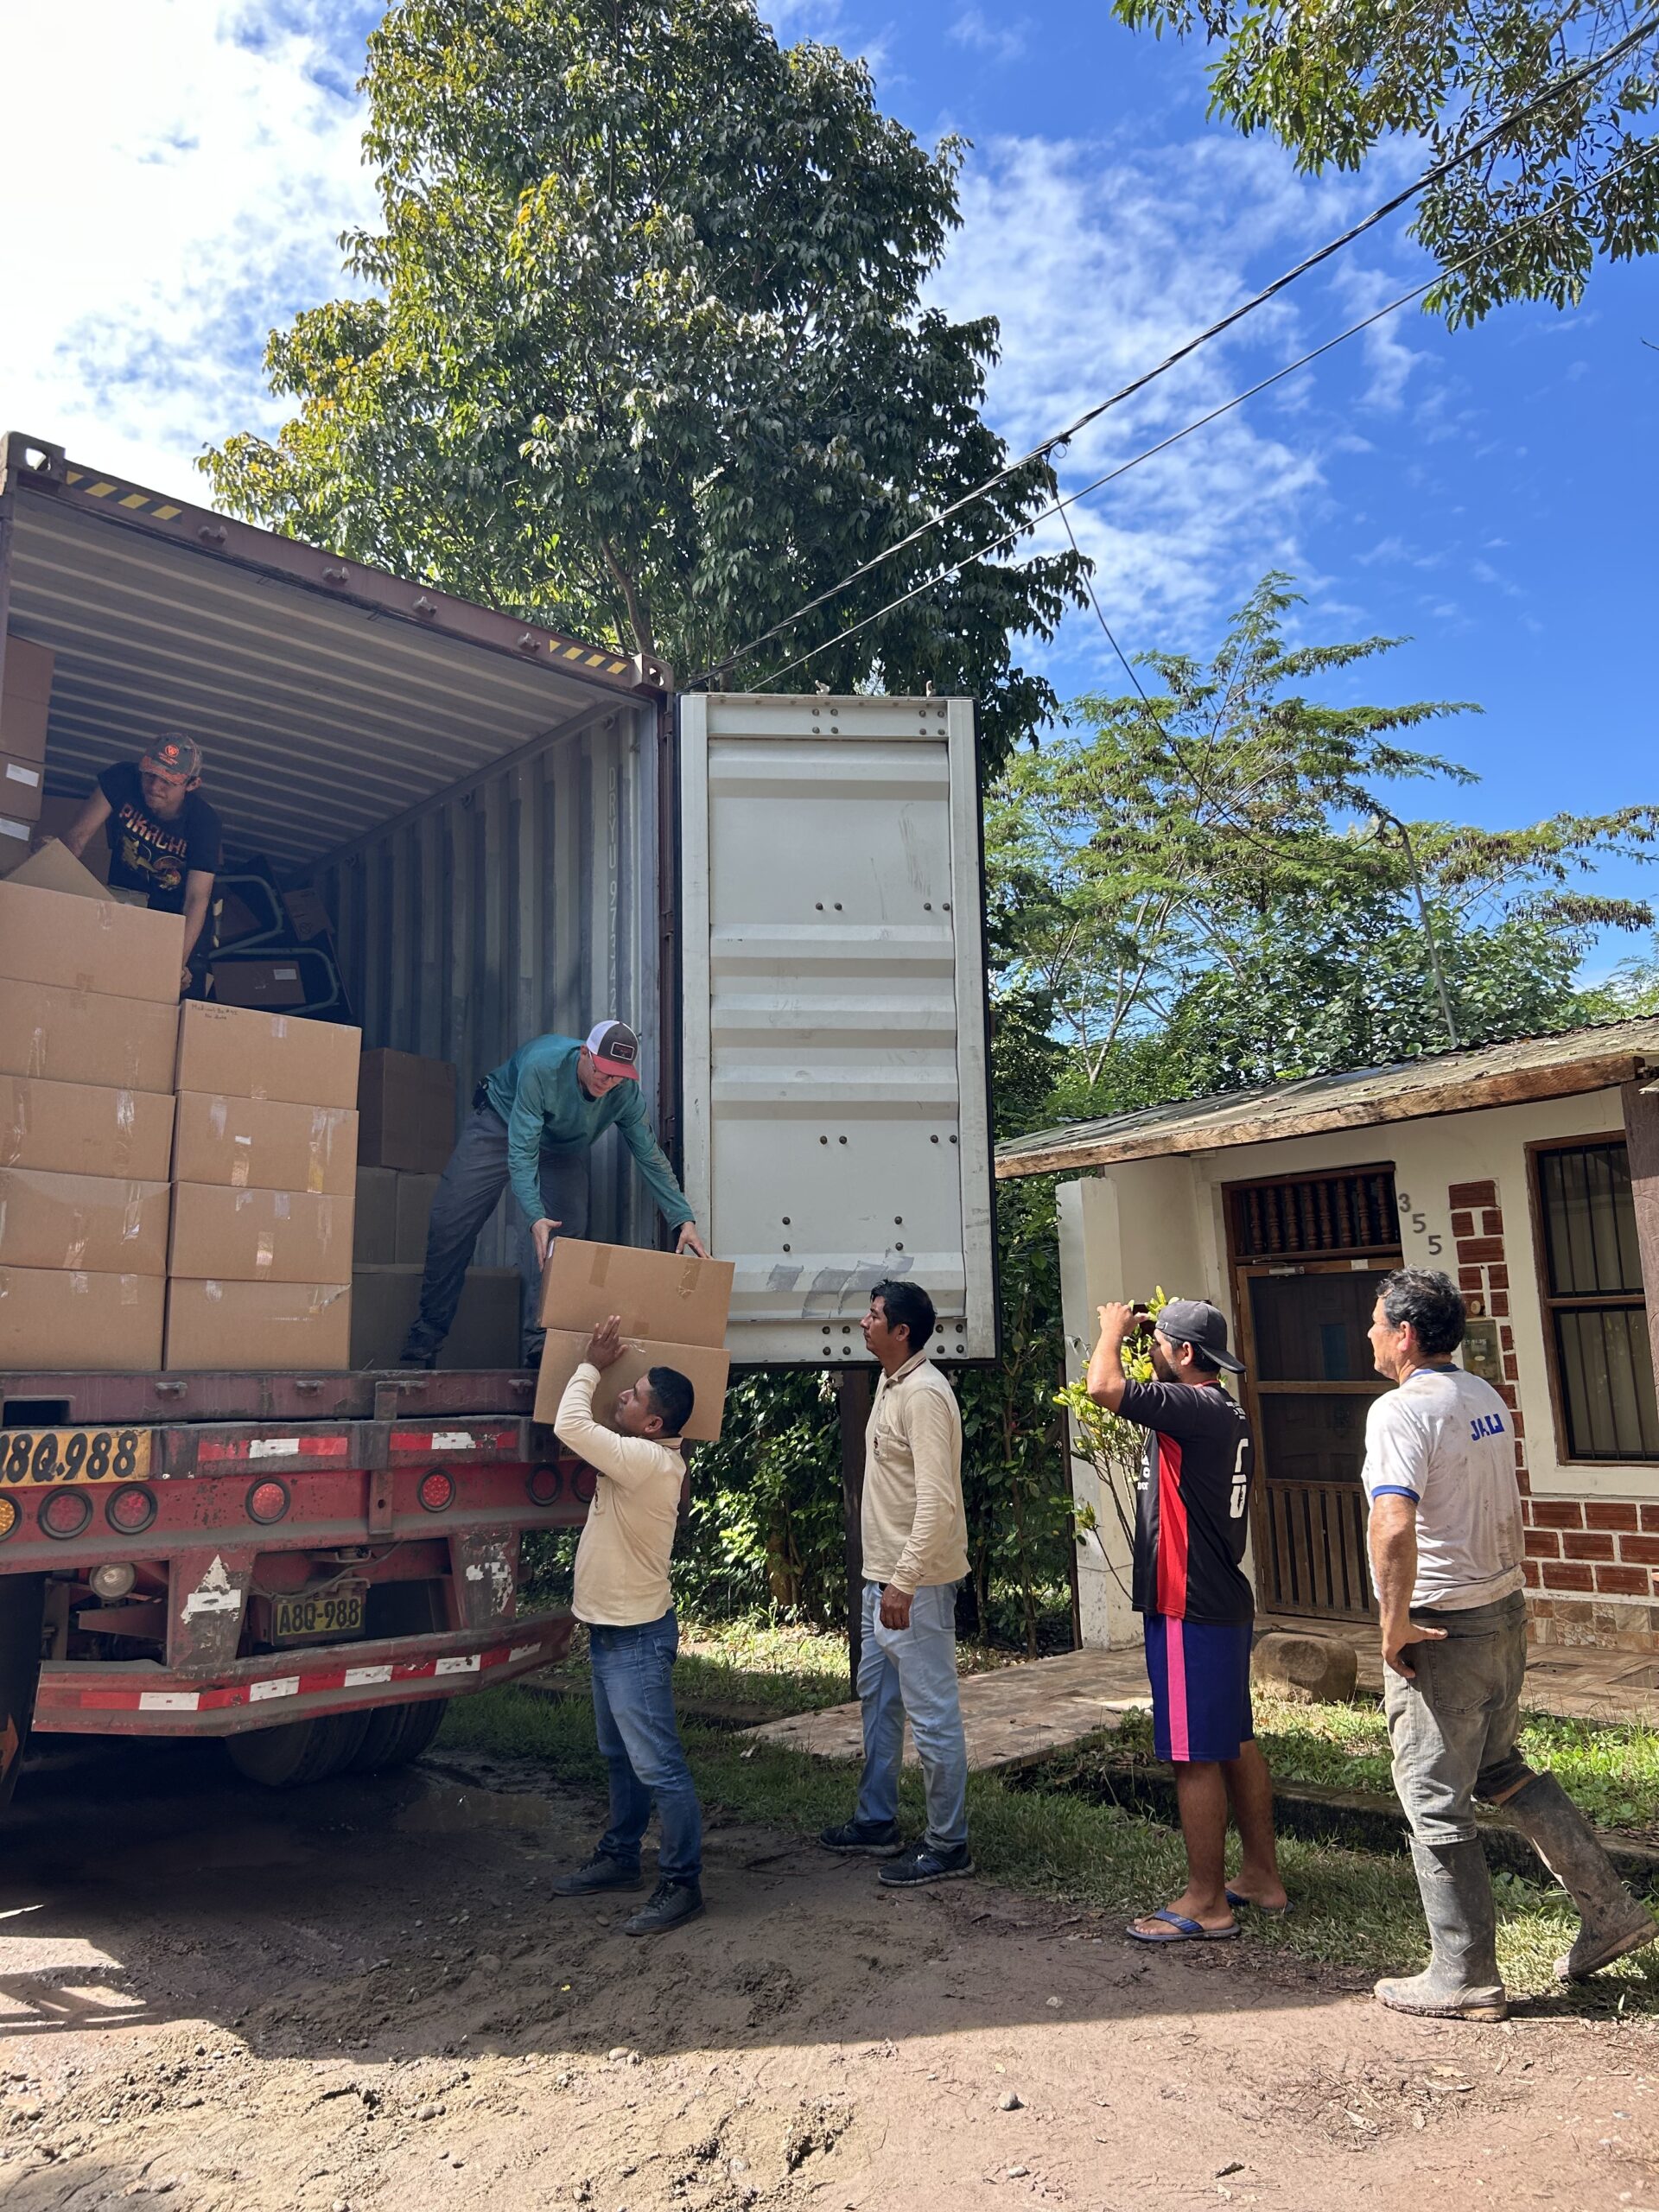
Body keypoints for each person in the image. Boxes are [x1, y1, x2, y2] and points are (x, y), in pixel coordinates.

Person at [1363, 1268, 1657, 2020]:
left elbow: (1394, 1523)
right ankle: (1611, 1911)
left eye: (1375, 1323)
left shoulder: (1400, 1411)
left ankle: (1463, 1975)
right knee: (1500, 1768)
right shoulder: (1483, 1396)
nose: (1368, 1335)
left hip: (1443, 1625)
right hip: (1502, 1611)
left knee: (1433, 1801)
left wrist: (1394, 1623)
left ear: (1405, 1333)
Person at [1088, 1299, 1286, 1943]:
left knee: (1193, 1755)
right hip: (1222, 1599)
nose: (1151, 1352)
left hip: (1187, 1602)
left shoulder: (1193, 1408)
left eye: (1161, 1346)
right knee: (1235, 1741)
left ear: (1186, 1356)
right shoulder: (1219, 1409)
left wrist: (1112, 1331)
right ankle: (1260, 1875)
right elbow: (1150, 1380)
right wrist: (1156, 1333)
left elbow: (1103, 1387)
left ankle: (1207, 1901)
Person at [398, 1019, 710, 1369]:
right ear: (584, 1053)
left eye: (619, 1076)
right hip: (501, 1124)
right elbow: (521, 1151)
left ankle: (540, 1344)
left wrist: (682, 1217)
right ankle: (426, 1338)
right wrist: (534, 1214)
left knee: (565, 1230)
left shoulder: (623, 1093)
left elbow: (649, 1154)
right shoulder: (542, 1066)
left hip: (559, 1149)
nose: (608, 1083)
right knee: (451, 1221)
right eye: (603, 1071)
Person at [548, 1313, 705, 1936]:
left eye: (634, 1395)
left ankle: (682, 1881)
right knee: (621, 1758)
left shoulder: (647, 1462)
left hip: (636, 1639)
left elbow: (567, 1423)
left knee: (658, 1764)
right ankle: (620, 1857)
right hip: (614, 1632)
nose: (623, 1393)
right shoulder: (643, 1455)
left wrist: (589, 1361)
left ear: (654, 1423)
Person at [818, 1279, 974, 1886]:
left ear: (901, 1330)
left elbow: (936, 1502)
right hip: (880, 1583)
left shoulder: (926, 1395)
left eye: (875, 1315)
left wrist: (904, 1584)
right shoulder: (892, 1384)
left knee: (933, 1715)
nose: (864, 1321)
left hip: (916, 1587)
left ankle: (948, 1844)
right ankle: (876, 1823)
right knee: (879, 1706)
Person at [59, 734, 223, 996]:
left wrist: (175, 963)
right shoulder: (122, 778)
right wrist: (50, 869)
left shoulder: (205, 823)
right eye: (149, 775)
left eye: (168, 782)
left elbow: (196, 899)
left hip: (174, 918)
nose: (155, 786)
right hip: (124, 897)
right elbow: (77, 838)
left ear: (192, 784)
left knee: (168, 989)